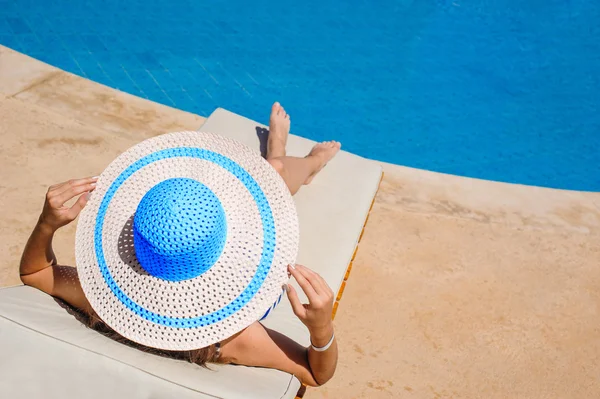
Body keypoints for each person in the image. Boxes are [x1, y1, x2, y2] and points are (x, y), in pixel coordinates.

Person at [19, 102, 342, 387]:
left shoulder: (105, 301)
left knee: (272, 174)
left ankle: (281, 157)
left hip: (181, 274)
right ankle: (305, 160)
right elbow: (315, 373)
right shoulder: (232, 338)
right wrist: (321, 328)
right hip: (239, 291)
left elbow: (34, 273)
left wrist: (47, 224)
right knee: (276, 173)